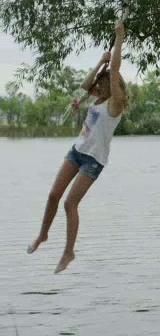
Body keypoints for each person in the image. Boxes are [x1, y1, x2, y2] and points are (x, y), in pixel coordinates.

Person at [27, 19, 128, 274]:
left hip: (94, 160)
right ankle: (42, 235)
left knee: (69, 204)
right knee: (53, 195)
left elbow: (114, 71)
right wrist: (98, 62)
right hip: (77, 151)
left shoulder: (114, 106)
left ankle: (69, 252)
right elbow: (86, 85)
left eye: (102, 83)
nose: (97, 86)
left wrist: (119, 37)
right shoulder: (96, 100)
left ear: (111, 86)